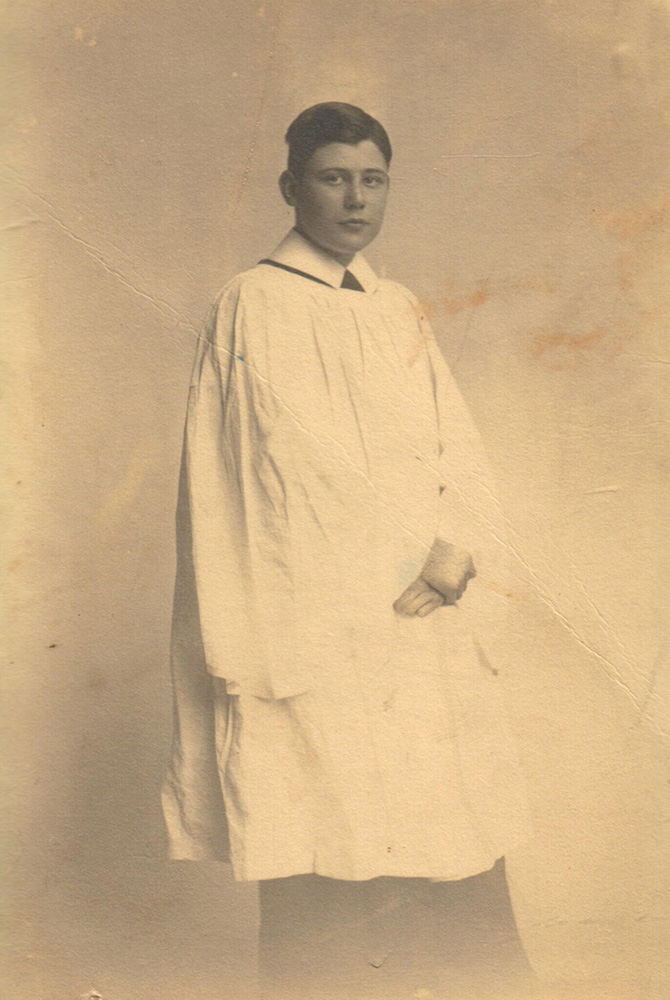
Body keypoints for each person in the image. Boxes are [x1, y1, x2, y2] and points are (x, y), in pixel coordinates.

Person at [162, 102, 535, 999]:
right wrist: (398, 556)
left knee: (446, 840)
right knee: (331, 847)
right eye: (334, 177)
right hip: (315, 628)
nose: (355, 199)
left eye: (372, 180)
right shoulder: (252, 305)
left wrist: (459, 548)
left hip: (418, 620)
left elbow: (460, 450)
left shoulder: (397, 307)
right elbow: (255, 483)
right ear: (292, 187)